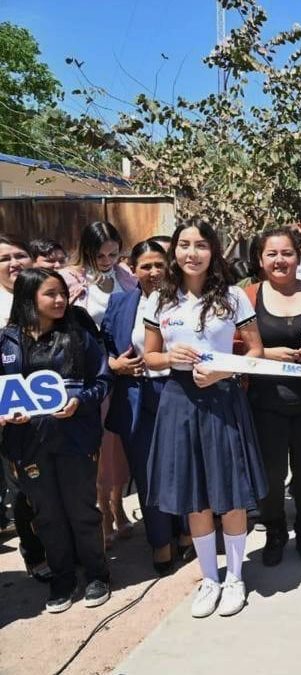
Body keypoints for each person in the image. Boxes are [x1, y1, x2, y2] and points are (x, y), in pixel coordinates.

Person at [143, 219, 267, 618]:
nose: (191, 253)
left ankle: (235, 577)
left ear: (213, 250)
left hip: (223, 400)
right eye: (183, 245)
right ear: (174, 252)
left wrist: (224, 371)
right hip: (178, 401)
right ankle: (209, 578)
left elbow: (256, 352)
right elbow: (149, 357)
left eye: (200, 245)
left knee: (229, 493)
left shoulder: (232, 296)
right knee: (194, 496)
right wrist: (169, 358)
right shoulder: (159, 300)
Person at [1, 268, 113, 613]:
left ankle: (97, 575)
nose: (61, 300)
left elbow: (102, 378)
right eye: (51, 294)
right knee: (47, 514)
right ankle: (63, 579)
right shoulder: (6, 341)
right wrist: (6, 415)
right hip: (27, 444)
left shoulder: (78, 335)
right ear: (28, 298)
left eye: (63, 293)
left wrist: (82, 401)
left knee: (81, 510)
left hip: (74, 441)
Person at [102, 239, 190, 577]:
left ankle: (185, 531)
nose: (154, 272)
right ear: (133, 268)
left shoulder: (184, 300)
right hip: (137, 396)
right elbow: (103, 346)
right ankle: (159, 540)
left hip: (178, 391)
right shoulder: (121, 303)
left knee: (182, 466)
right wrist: (114, 364)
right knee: (147, 472)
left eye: (159, 265)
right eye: (146, 266)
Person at [244, 227, 301, 566]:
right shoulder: (248, 297)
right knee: (271, 472)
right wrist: (264, 354)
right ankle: (275, 529)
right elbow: (233, 345)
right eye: (272, 255)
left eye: (287, 254)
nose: (280, 261)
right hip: (266, 403)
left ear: (299, 256)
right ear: (261, 260)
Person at [60, 221, 139, 547]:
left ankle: (119, 505)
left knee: (120, 447)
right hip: (94, 371)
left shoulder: (125, 277)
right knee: (101, 447)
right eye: (100, 254)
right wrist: (109, 363)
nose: (107, 260)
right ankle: (103, 511)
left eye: (113, 253)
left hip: (128, 371)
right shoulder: (72, 280)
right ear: (87, 251)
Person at [0, 235, 53, 583]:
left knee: (57, 486)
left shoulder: (50, 300)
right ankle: (34, 552)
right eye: (5, 258)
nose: (15, 262)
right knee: (22, 491)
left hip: (52, 417)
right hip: (11, 421)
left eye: (21, 255)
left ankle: (63, 549)